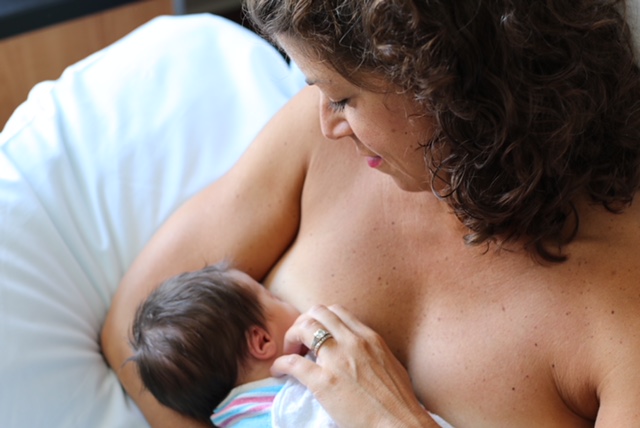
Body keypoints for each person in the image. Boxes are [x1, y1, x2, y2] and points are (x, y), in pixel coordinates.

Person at [101, 0, 640, 426]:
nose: (328, 122)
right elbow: (134, 328)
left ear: (442, 84)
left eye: (342, 99)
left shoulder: (621, 313)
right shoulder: (319, 146)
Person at [127, 262, 337, 427]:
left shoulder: (235, 418)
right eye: (274, 297)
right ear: (262, 341)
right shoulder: (292, 408)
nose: (284, 298)